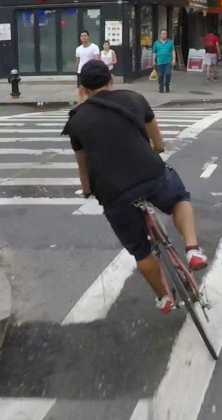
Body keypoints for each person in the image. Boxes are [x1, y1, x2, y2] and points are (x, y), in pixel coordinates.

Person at [63, 60, 208, 313]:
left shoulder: (76, 121)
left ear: (83, 89)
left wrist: (87, 190)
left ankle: (165, 298)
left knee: (140, 251)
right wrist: (154, 150)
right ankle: (193, 250)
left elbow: (82, 165)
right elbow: (158, 141)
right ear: (111, 80)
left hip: (113, 192)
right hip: (150, 174)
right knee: (178, 199)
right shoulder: (134, 98)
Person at [75, 30, 99, 103]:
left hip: (91, 72)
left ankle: (92, 105)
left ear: (88, 37)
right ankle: (80, 107)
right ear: (80, 38)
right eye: (82, 36)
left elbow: (96, 59)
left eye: (85, 36)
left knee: (91, 91)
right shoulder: (78, 49)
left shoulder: (94, 47)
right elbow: (77, 61)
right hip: (81, 72)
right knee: (80, 90)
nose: (83, 37)